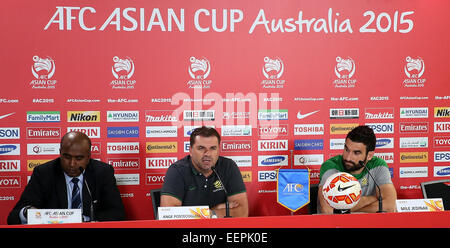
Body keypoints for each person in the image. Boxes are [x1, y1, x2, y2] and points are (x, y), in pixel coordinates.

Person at [7, 131, 126, 224]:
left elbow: (118, 213)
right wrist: (27, 212)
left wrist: (82, 220)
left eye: (79, 158)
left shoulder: (102, 172)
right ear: (60, 152)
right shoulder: (44, 173)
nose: (72, 164)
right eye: (67, 157)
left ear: (88, 157)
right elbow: (13, 217)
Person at [161, 126, 248, 218]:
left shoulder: (228, 166)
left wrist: (211, 213)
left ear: (218, 150)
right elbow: (169, 215)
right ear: (190, 151)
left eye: (213, 148)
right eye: (201, 148)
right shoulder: (177, 170)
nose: (207, 153)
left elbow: (242, 212)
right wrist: (213, 211)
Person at [318, 125, 397, 214]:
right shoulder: (331, 167)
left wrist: (344, 210)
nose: (348, 157)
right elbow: (329, 211)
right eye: (346, 149)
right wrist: (371, 199)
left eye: (356, 153)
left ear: (369, 155)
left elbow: (390, 206)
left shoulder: (378, 166)